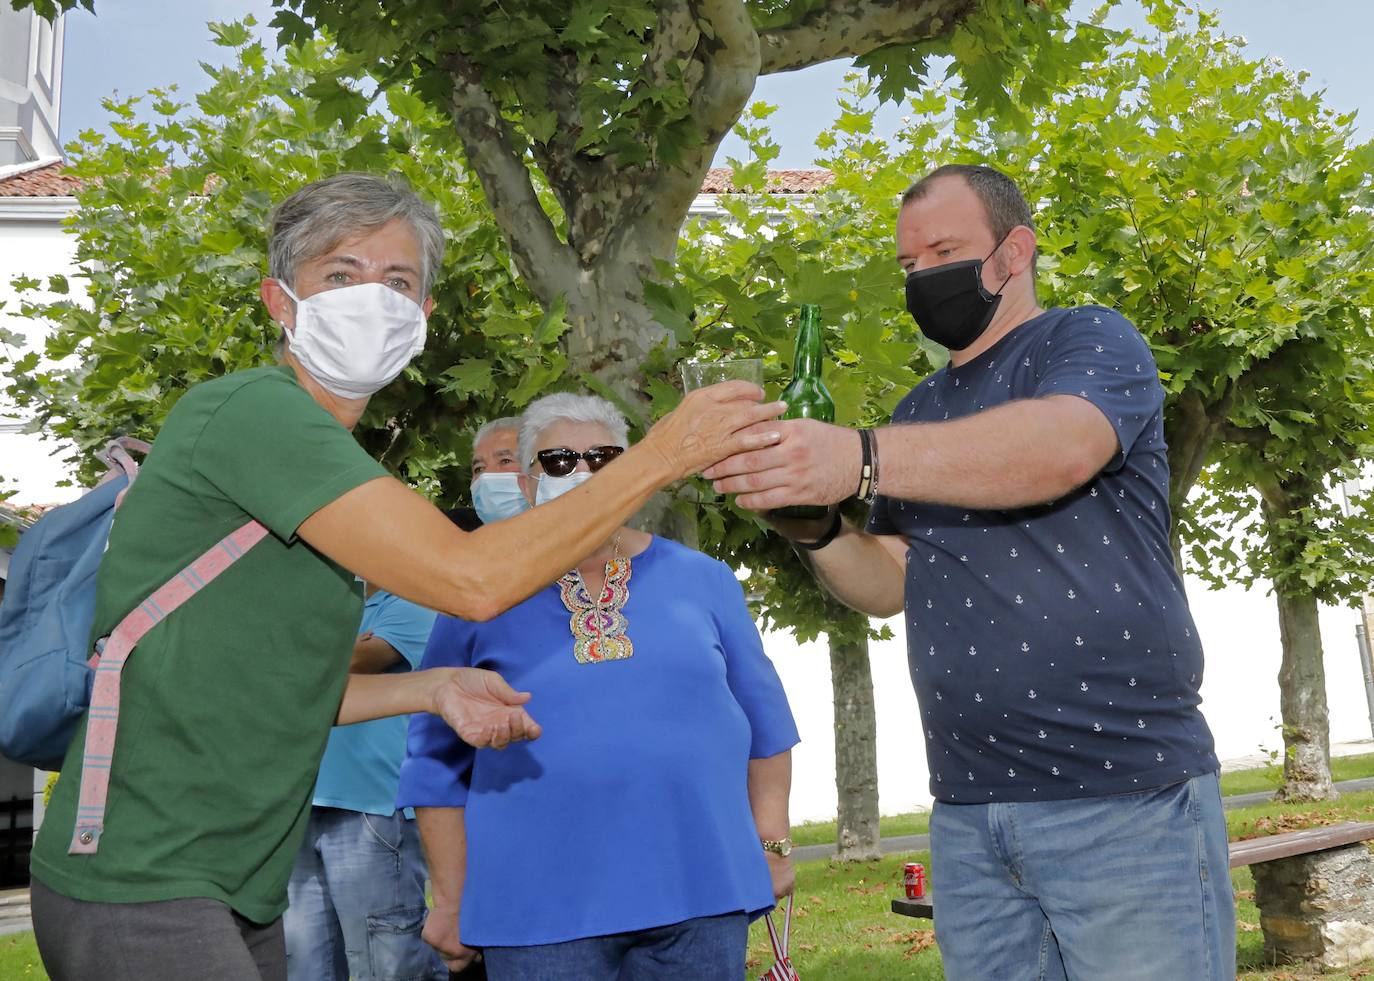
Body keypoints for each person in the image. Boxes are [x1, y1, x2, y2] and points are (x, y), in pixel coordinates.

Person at [28, 172, 786, 981]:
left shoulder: (324, 464)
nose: (372, 299)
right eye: (340, 275)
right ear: (280, 302)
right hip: (143, 875)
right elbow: (471, 577)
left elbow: (280, 682)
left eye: (398, 282)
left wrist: (430, 690)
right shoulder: (254, 413)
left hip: (229, 879)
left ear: (422, 319)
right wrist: (662, 454)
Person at [706, 164, 1233, 980]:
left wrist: (859, 454)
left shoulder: (1087, 340)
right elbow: (889, 583)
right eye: (909, 267)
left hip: (1123, 799)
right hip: (966, 811)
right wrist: (812, 525)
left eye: (944, 251)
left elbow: (1060, 448)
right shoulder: (920, 409)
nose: (924, 280)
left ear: (1012, 252)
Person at [398, 392, 800, 981]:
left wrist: (772, 845)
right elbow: (434, 759)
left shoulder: (705, 580)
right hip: (537, 905)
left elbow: (766, 727)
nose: (582, 472)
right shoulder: (477, 596)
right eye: (558, 460)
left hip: (702, 888)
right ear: (529, 484)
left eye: (604, 458)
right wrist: (453, 899)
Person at [282, 575, 446, 981]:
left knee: (386, 964)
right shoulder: (331, 601)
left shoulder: (414, 602)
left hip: (372, 809)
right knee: (303, 964)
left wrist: (302, 645)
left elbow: (351, 663)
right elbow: (271, 666)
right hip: (302, 804)